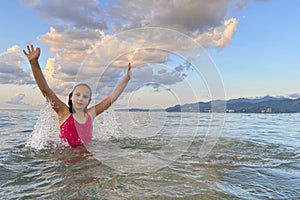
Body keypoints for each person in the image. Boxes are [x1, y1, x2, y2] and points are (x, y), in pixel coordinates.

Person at [23, 44, 131, 148]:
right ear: (71, 97)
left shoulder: (90, 114)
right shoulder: (64, 112)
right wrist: (34, 63)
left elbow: (112, 98)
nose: (81, 99)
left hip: (85, 160)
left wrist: (126, 79)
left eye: (85, 97)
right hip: (66, 161)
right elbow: (46, 90)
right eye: (78, 95)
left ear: (89, 101)